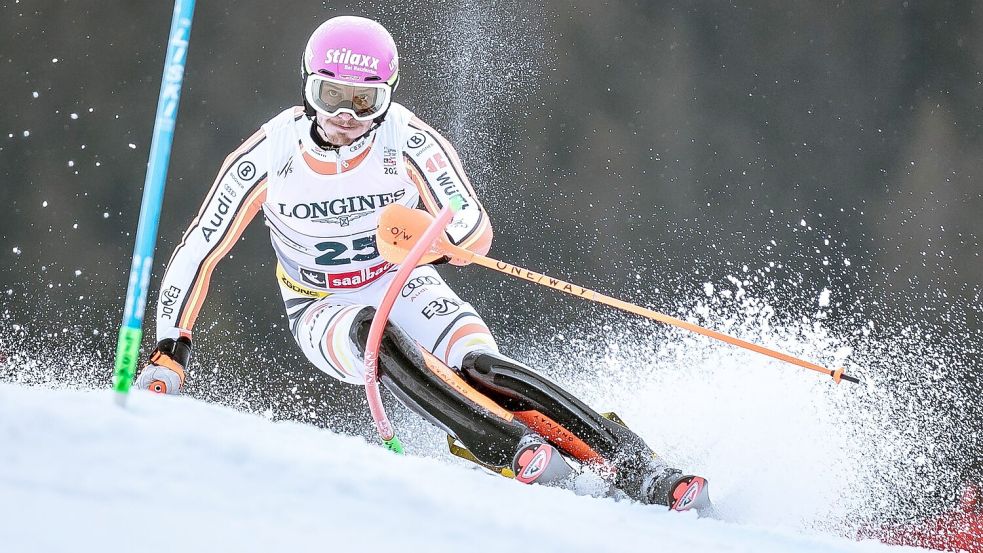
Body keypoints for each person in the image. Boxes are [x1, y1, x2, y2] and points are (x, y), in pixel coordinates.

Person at [135, 15, 712, 513]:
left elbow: (471, 230)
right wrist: (170, 348)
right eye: (330, 95)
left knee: (481, 365)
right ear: (307, 87)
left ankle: (638, 466)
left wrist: (426, 243)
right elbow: (200, 249)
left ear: (387, 95)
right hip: (320, 305)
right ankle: (505, 445)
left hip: (404, 280)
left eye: (366, 102)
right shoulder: (271, 152)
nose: (346, 115)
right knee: (372, 337)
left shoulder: (406, 139)